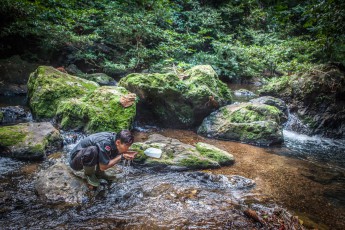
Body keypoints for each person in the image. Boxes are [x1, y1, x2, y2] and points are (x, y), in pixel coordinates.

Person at [69, 130, 137, 187]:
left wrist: (127, 152)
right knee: (93, 150)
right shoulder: (105, 143)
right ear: (118, 142)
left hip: (84, 156)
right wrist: (121, 156)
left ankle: (99, 173)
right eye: (127, 146)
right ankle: (89, 174)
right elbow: (103, 167)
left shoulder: (115, 139)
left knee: (111, 150)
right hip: (75, 162)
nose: (128, 148)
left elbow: (112, 151)